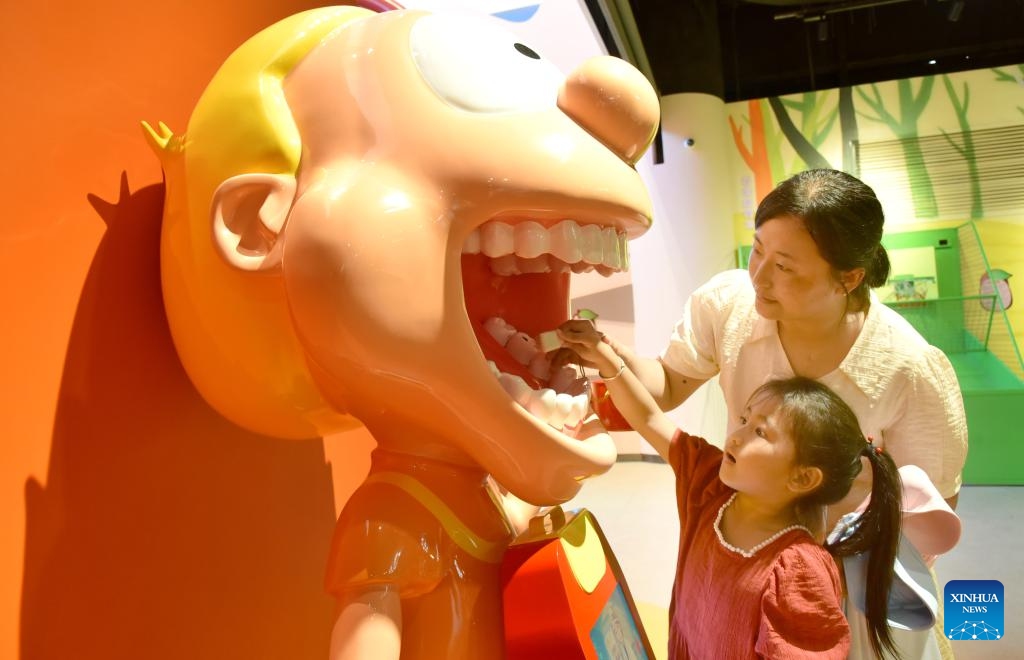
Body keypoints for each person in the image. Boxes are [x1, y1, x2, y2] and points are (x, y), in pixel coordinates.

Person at [557, 168, 967, 659]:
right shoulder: (728, 308)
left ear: (849, 277)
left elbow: (932, 502)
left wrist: (838, 570)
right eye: (757, 250)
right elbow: (665, 390)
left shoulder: (909, 368)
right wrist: (608, 355)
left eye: (787, 267)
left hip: (841, 579)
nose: (759, 276)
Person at [557, 321, 904, 660]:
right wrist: (605, 358)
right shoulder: (710, 484)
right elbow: (648, 418)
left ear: (801, 479)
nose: (736, 435)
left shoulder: (798, 570)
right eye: (744, 420)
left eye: (761, 433)